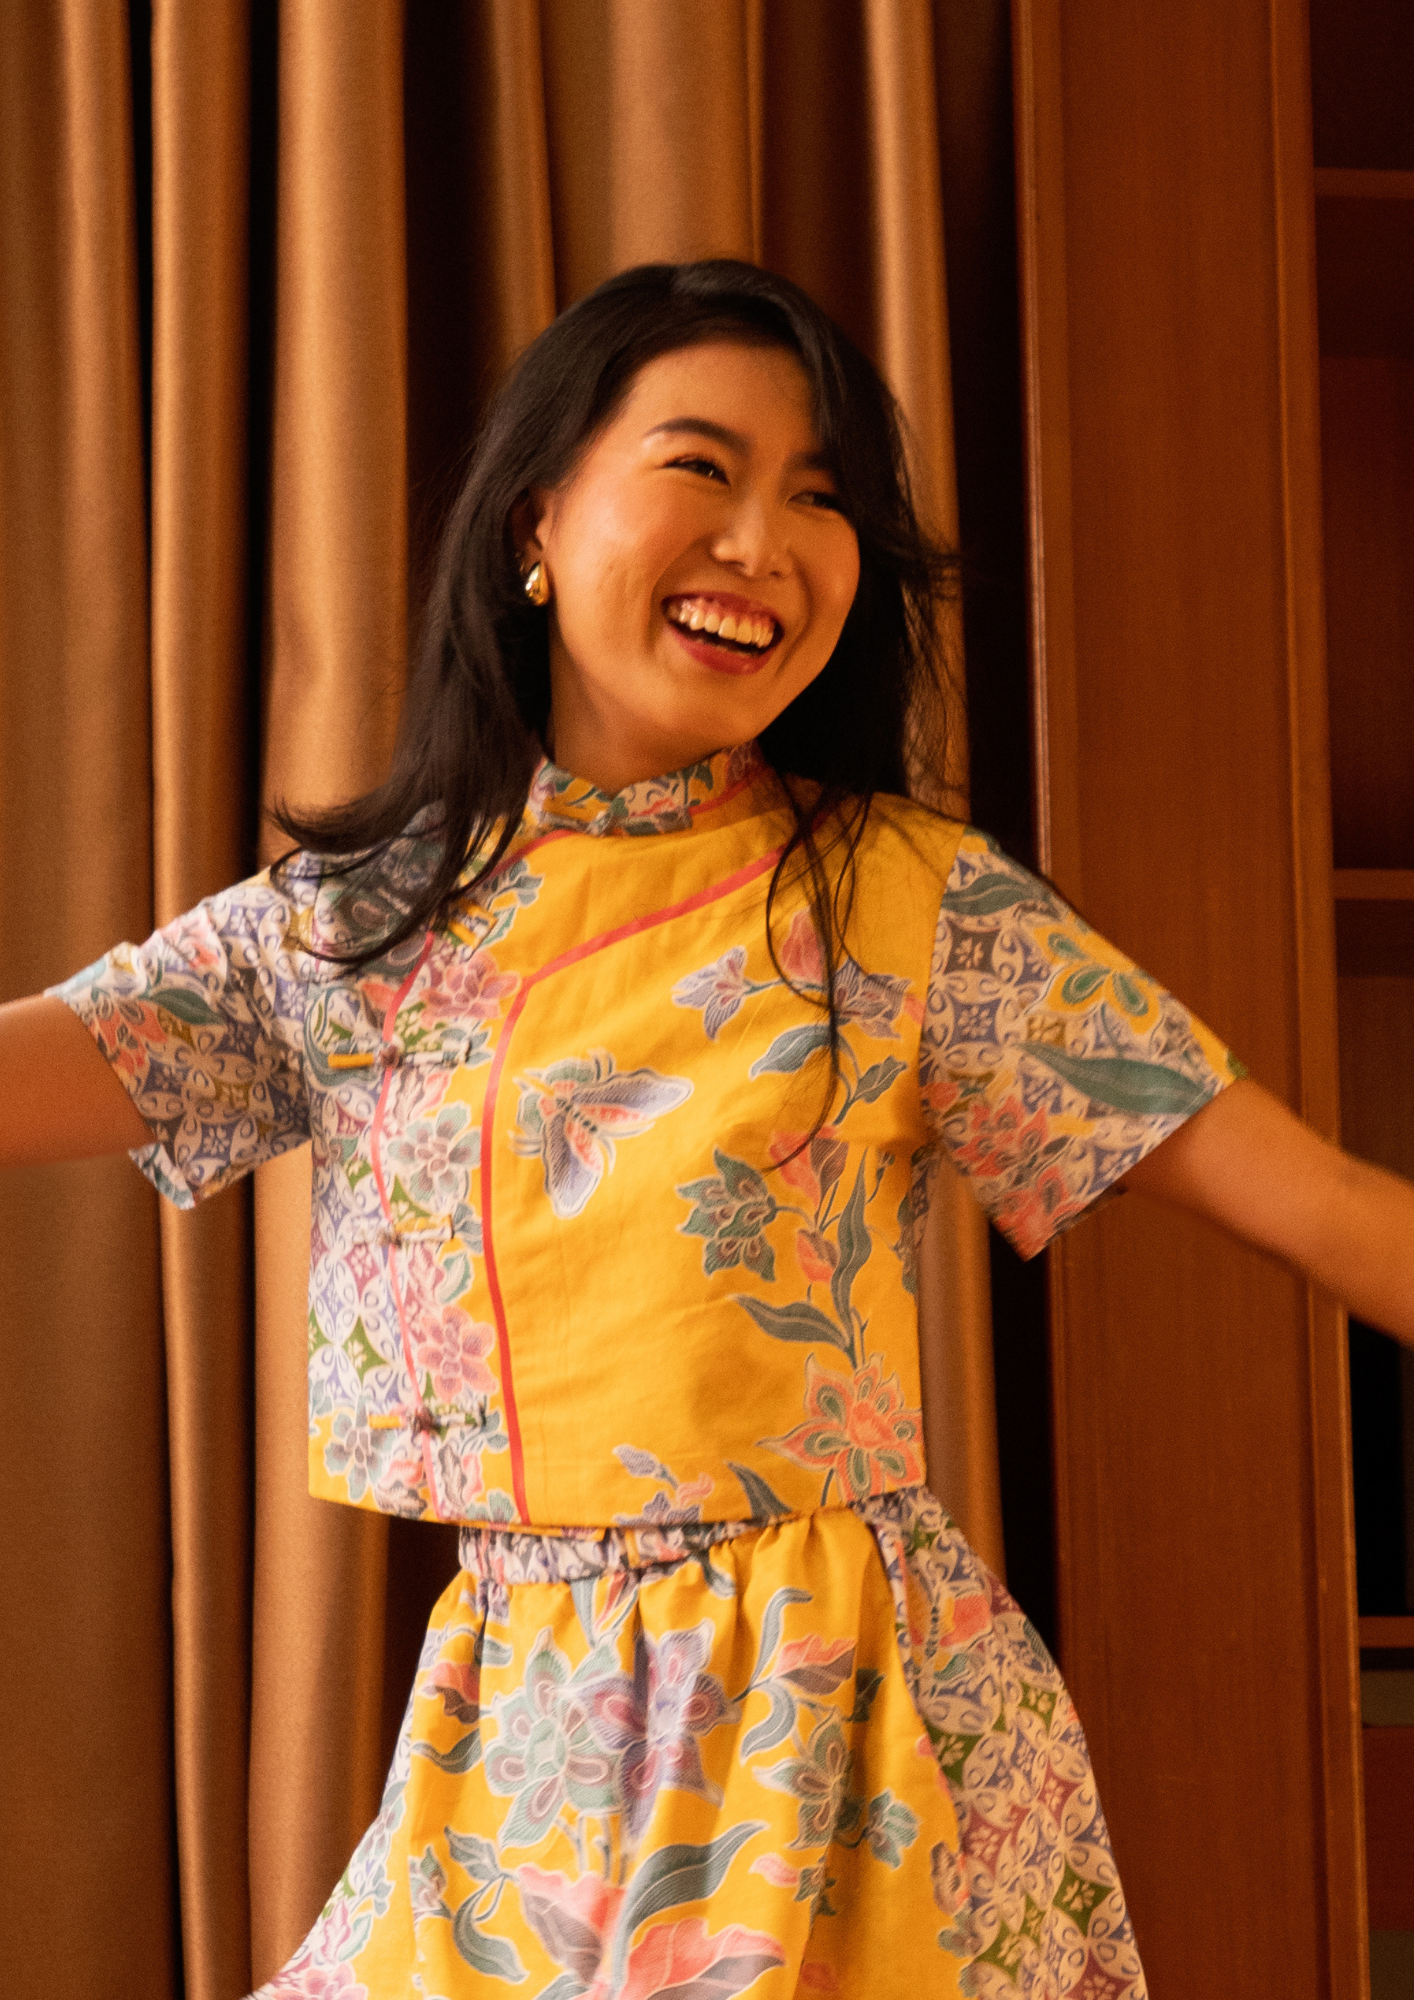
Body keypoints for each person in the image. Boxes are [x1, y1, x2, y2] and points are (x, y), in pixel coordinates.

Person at [5, 260, 1411, 2000]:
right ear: (536, 518)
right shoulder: (365, 928)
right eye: (702, 467)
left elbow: (1322, 1205)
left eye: (820, 499)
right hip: (514, 1713)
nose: (764, 543)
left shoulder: (906, 905)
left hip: (829, 1724)